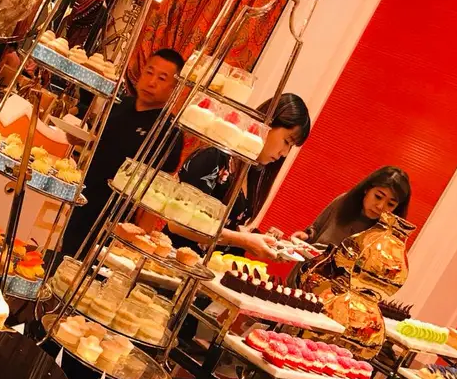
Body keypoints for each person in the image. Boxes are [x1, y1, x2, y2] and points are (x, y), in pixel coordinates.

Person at [61, 48, 186, 256]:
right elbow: (100, 146)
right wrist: (81, 141)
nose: (151, 82)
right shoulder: (119, 105)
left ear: (174, 88)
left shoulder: (169, 131)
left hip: (118, 223)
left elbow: (158, 191)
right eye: (149, 72)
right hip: (82, 203)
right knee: (65, 259)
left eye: (162, 78)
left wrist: (137, 242)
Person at [172, 93, 311, 260]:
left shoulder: (252, 170)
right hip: (174, 259)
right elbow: (177, 223)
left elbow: (229, 226)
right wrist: (243, 240)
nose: (285, 153)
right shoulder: (215, 155)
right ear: (268, 123)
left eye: (291, 146)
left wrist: (259, 239)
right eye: (287, 141)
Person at [294, 166, 411, 246]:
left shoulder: (387, 236)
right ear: (367, 189)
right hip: (307, 270)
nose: (380, 206)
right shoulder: (344, 202)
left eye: (390, 204)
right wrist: (306, 236)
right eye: (378, 196)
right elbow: (316, 228)